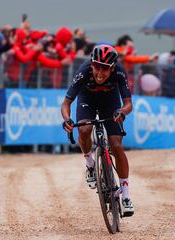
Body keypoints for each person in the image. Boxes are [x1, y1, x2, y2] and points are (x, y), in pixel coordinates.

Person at [61, 44, 134, 216]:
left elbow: (128, 104)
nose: (100, 73)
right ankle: (90, 164)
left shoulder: (120, 72)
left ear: (113, 68)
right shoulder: (84, 70)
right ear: (92, 64)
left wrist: (122, 112)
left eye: (105, 70)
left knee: (116, 145)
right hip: (87, 100)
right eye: (97, 68)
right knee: (85, 129)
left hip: (110, 102)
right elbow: (66, 103)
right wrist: (67, 120)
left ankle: (125, 195)